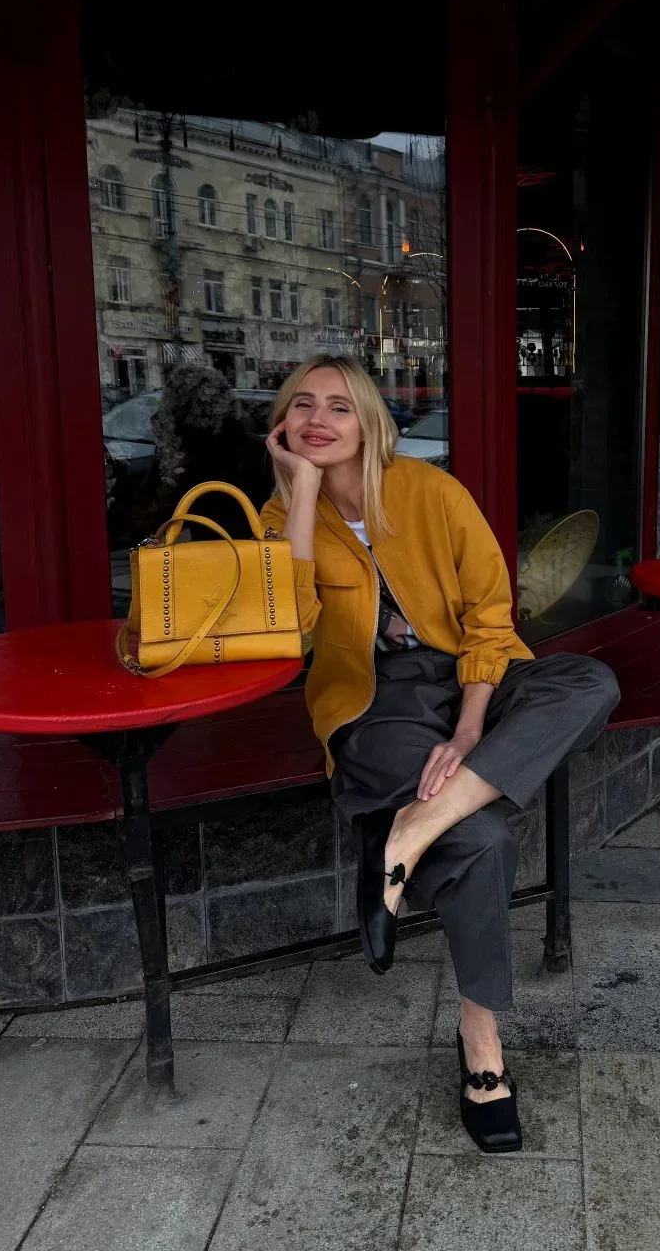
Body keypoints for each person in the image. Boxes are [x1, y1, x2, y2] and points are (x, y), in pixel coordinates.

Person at [261, 354, 619, 1154]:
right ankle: (481, 1042)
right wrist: (302, 495)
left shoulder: (432, 493)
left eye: (340, 406)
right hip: (374, 701)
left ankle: (409, 833)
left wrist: (468, 730)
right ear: (283, 422)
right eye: (303, 404)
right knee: (482, 839)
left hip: (472, 678)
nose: (319, 419)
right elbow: (288, 634)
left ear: (370, 422)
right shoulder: (278, 516)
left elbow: (490, 616)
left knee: (589, 682)